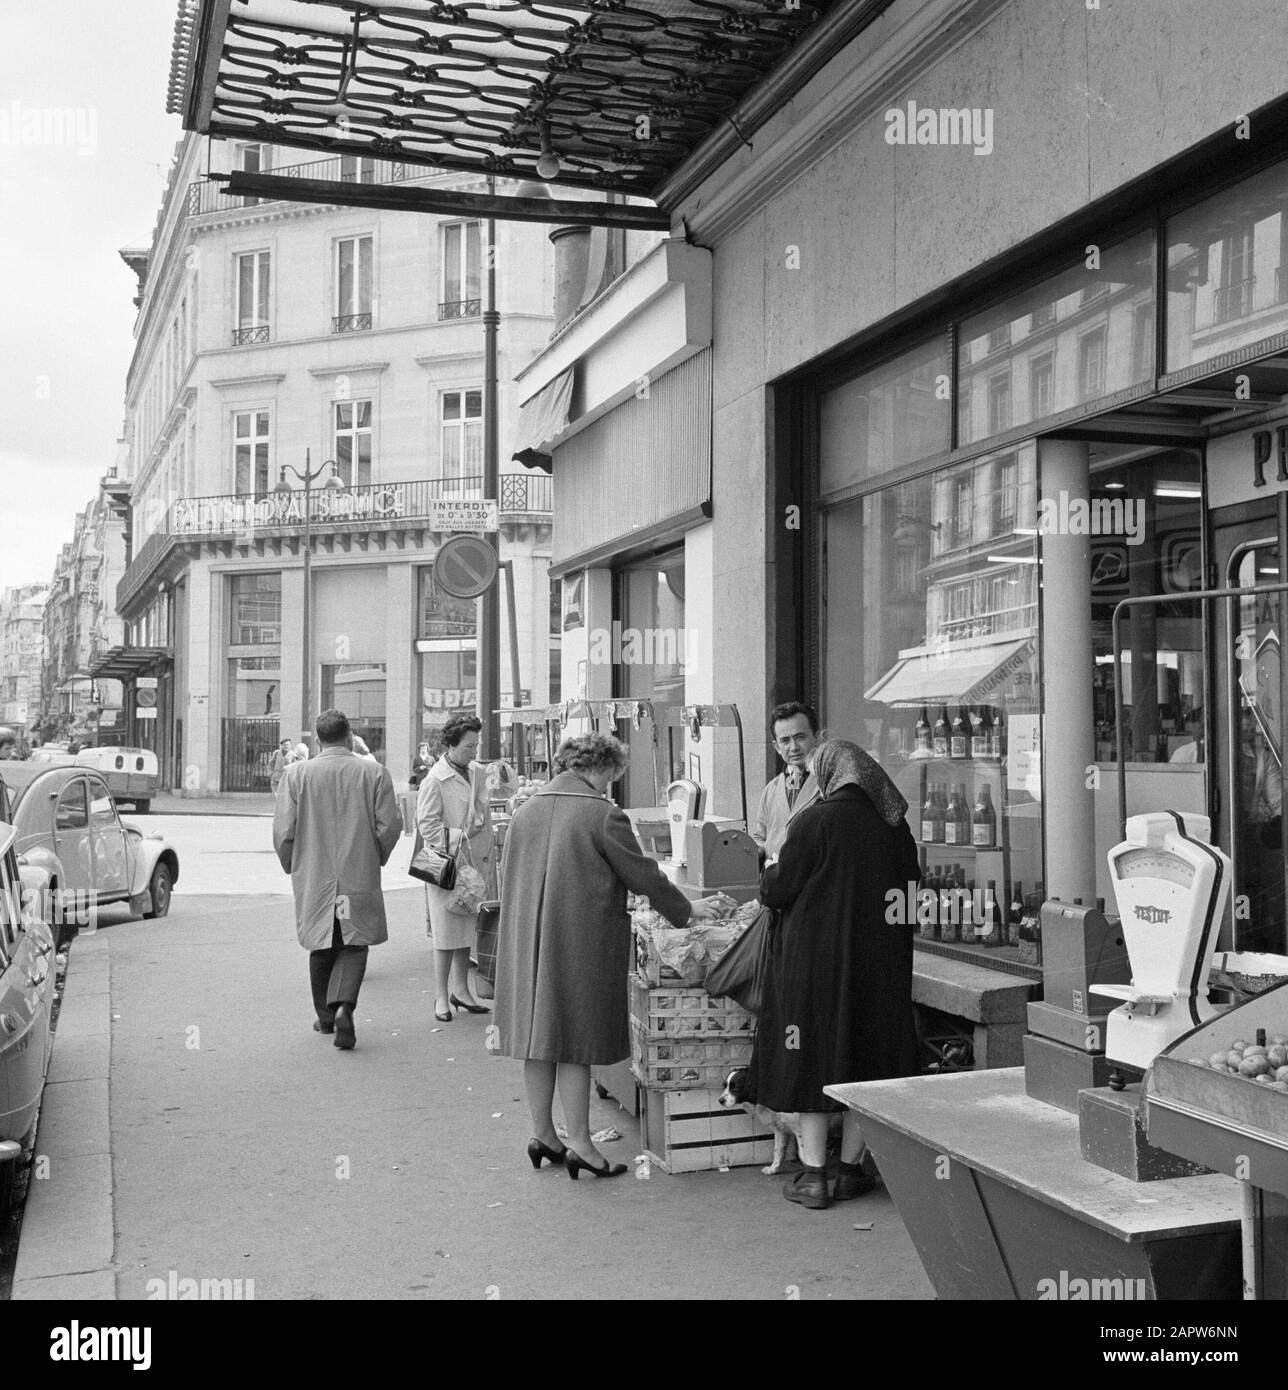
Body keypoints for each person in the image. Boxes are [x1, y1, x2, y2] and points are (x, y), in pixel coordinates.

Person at [494, 733, 723, 1180]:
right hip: (578, 941)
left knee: (538, 1039)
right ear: (601, 768)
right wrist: (687, 909)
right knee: (574, 1041)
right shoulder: (602, 815)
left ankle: (543, 1133)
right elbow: (643, 876)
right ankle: (581, 1142)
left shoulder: (527, 810)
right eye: (613, 775)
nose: (611, 785)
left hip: (527, 940)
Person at [746, 738, 921, 1211]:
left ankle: (814, 1176)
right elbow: (909, 897)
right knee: (869, 1064)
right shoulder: (895, 828)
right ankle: (848, 1171)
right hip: (880, 968)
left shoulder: (814, 821)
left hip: (814, 966)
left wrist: (769, 867)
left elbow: (776, 890)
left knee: (812, 1058)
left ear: (829, 772)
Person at [272, 708, 402, 1050]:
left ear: (317, 740)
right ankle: (344, 1004)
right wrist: (376, 856)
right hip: (356, 876)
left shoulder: (296, 774)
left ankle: (326, 1017)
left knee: (322, 942)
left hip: (316, 876)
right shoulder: (373, 773)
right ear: (349, 736)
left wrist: (292, 865)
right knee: (354, 942)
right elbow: (390, 826)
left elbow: (284, 832)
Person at [417, 714, 496, 1021]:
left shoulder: (475, 771)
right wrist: (460, 837)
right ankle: (440, 997)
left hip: (472, 865)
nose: (473, 751)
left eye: (476, 745)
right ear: (450, 744)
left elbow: (498, 791)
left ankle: (461, 991)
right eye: (468, 746)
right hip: (445, 866)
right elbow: (427, 824)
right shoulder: (435, 779)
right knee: (445, 933)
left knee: (466, 928)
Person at [751, 702, 822, 859]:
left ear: (816, 738)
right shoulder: (771, 789)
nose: (794, 747)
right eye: (785, 740)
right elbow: (760, 838)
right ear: (776, 747)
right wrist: (756, 853)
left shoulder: (829, 785)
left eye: (800, 737)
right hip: (776, 879)